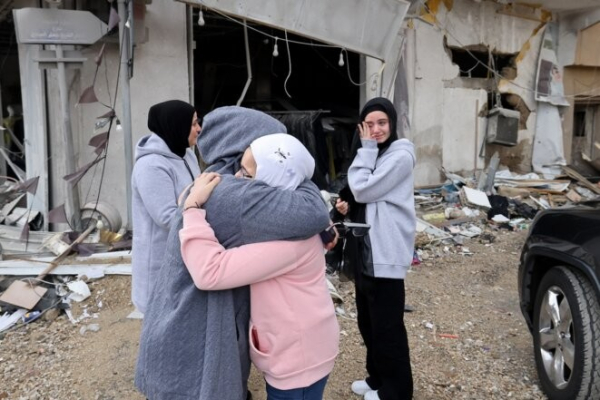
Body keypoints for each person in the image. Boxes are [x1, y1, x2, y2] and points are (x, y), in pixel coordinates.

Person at [135, 107, 332, 400]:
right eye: (271, 144)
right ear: (245, 144)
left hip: (178, 320)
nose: (280, 151)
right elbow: (313, 212)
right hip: (193, 330)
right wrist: (324, 222)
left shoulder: (219, 176)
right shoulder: (234, 193)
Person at [180, 133, 339, 400]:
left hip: (298, 360)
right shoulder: (291, 219)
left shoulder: (290, 241)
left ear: (275, 179)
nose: (238, 179)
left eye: (247, 173)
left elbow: (210, 272)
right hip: (302, 345)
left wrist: (192, 209)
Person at [335, 97, 416, 400]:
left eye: (382, 123)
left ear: (392, 124)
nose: (376, 130)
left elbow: (364, 188)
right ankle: (378, 379)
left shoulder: (400, 155)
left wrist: (365, 150)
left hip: (386, 251)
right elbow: (358, 191)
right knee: (368, 322)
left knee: (387, 327)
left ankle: (396, 391)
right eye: (369, 125)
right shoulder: (377, 154)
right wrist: (345, 205)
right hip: (367, 250)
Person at [130, 99, 201, 314]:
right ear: (176, 126)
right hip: (160, 260)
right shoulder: (151, 165)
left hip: (182, 252)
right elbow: (168, 218)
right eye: (194, 124)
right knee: (160, 320)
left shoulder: (185, 153)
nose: (199, 129)